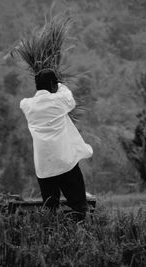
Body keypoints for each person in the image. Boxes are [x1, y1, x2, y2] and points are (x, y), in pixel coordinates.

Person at [20, 69, 93, 220]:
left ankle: (50, 237)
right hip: (65, 163)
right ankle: (78, 233)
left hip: (44, 167)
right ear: (53, 85)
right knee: (78, 205)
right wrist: (59, 85)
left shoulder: (27, 105)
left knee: (50, 209)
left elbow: (25, 102)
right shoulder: (58, 101)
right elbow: (68, 98)